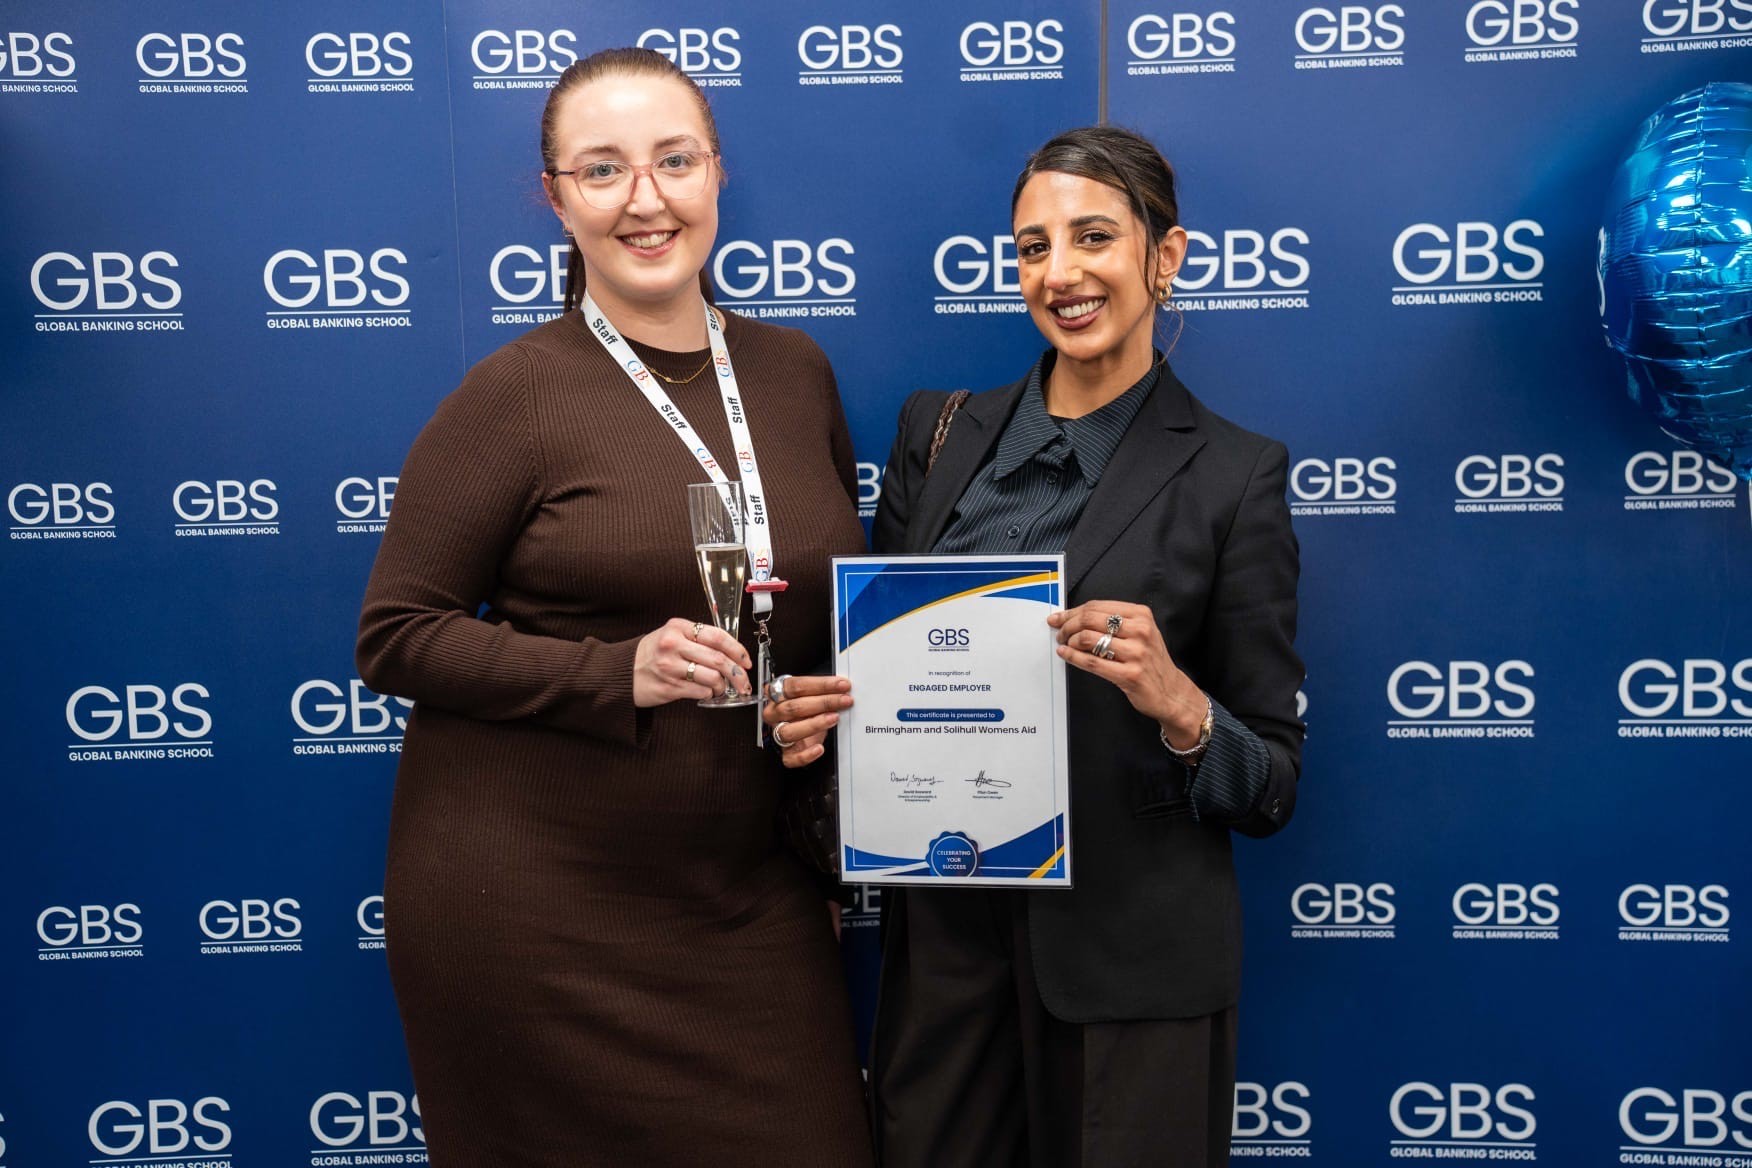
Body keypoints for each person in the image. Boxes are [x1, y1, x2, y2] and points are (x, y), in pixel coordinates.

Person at [356, 47, 872, 1168]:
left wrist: (808, 709)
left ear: (717, 174)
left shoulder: (796, 373)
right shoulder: (515, 395)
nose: (647, 198)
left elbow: (811, 604)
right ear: (556, 199)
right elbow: (395, 635)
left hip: (747, 891)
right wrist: (612, 670)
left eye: (673, 160)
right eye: (604, 170)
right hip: (537, 915)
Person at [765, 125, 1304, 1168]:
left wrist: (1178, 702)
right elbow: (882, 676)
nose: (1060, 273)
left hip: (1133, 971)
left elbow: (1271, 782)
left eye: (1093, 237)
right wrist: (823, 723)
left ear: (1167, 255)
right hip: (947, 961)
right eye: (1031, 247)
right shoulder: (937, 432)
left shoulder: (1237, 475)